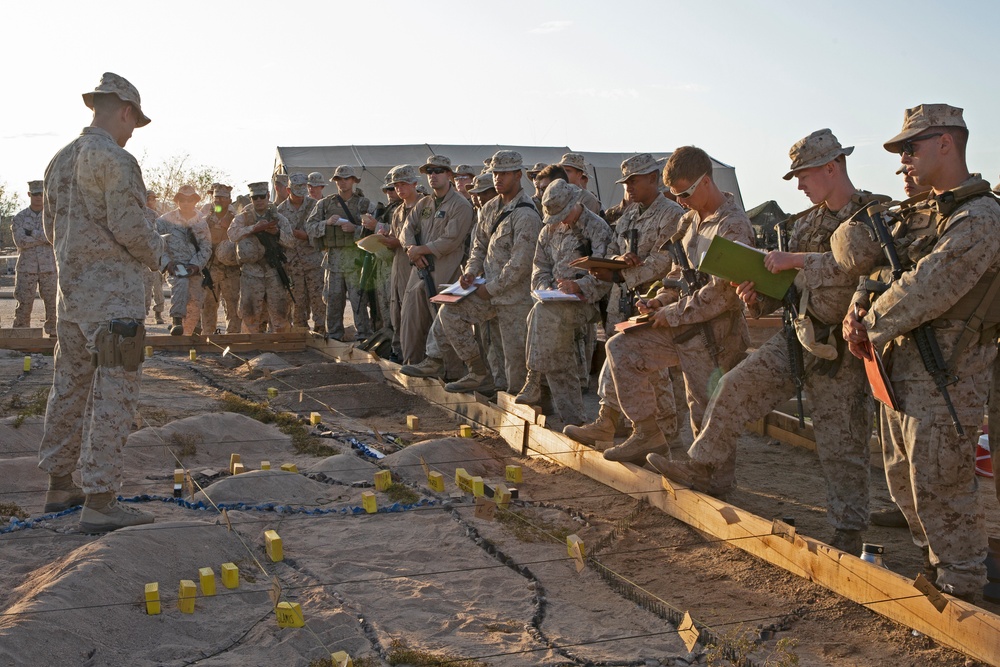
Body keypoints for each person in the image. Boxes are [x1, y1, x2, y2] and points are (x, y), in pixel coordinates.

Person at [651, 130, 882, 554]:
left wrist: (796, 262)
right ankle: (702, 466)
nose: (799, 185)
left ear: (832, 167)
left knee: (841, 443)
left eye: (804, 175)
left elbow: (857, 269)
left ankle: (848, 532)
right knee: (735, 387)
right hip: (796, 335)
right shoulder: (807, 222)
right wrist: (756, 294)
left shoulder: (870, 215)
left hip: (842, 350)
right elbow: (783, 283)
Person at [844, 104, 1000, 600]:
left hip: (948, 375)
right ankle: (938, 571)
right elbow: (876, 270)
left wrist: (869, 322)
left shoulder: (980, 216)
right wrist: (857, 305)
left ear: (946, 144)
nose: (903, 159)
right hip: (900, 370)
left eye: (910, 148)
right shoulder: (923, 213)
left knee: (943, 487)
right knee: (905, 482)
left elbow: (929, 286)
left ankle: (963, 586)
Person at [38, 72, 166, 533]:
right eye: (135, 121)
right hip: (114, 301)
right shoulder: (116, 159)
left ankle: (59, 485)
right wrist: (163, 254)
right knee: (115, 394)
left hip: (71, 298)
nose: (133, 131)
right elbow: (132, 228)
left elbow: (53, 230)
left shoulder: (59, 160)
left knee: (69, 388)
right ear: (126, 111)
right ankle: (101, 500)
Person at [595, 146, 751, 466]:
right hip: (684, 324)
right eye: (675, 194)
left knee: (706, 412)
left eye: (685, 193)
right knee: (623, 348)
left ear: (705, 182)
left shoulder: (732, 226)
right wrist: (660, 299)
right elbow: (678, 272)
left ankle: (711, 476)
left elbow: (721, 294)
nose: (680, 202)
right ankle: (647, 434)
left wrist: (671, 312)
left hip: (716, 334)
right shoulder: (691, 220)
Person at [565, 154, 685, 447]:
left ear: (653, 179)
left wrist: (626, 273)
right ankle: (608, 422)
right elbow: (615, 248)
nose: (628, 187)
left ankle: (666, 433)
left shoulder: (671, 214)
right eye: (626, 182)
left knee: (654, 370)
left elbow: (668, 260)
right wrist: (617, 261)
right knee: (616, 357)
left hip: (656, 297)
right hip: (624, 298)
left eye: (634, 180)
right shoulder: (629, 214)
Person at [402, 151, 539, 396]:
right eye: (496, 173)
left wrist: (492, 287)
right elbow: (478, 246)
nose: (498, 179)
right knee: (451, 312)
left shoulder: (526, 213)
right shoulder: (489, 209)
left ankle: (520, 405)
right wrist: (471, 272)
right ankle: (477, 372)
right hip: (485, 288)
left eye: (505, 173)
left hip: (514, 297)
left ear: (518, 175)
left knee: (514, 358)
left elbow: (521, 263)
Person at [516, 179, 612, 424]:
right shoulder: (549, 229)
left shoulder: (597, 227)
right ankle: (574, 419)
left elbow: (606, 275)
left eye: (564, 213)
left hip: (587, 303)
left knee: (541, 316)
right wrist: (545, 287)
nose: (561, 220)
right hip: (554, 302)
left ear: (576, 202)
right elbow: (539, 267)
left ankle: (534, 378)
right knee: (558, 351)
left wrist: (578, 286)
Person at [396, 155, 475, 364]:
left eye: (438, 171)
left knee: (444, 325)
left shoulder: (460, 205)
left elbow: (451, 239)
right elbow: (407, 229)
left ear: (449, 174)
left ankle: (450, 374)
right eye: (429, 172)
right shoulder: (424, 203)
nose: (433, 176)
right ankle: (412, 365)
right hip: (419, 270)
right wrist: (411, 249)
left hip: (445, 272)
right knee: (411, 321)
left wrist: (420, 250)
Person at [305, 165, 373, 341]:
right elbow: (310, 227)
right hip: (333, 262)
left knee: (359, 302)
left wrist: (355, 229)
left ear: (353, 180)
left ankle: (364, 338)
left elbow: (374, 229)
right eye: (339, 179)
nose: (342, 182)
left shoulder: (363, 203)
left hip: (356, 262)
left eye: (346, 178)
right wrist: (326, 223)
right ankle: (334, 338)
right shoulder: (325, 204)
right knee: (333, 301)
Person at [228, 182, 295, 333]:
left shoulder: (278, 218)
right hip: (251, 271)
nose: (258, 200)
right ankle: (250, 344)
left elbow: (291, 242)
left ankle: (280, 344)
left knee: (279, 312)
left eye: (262, 196)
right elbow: (231, 235)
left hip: (274, 271)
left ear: (268, 196)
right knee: (249, 312)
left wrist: (277, 233)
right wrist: (254, 228)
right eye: (254, 197)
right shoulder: (243, 218)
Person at [157, 185, 212, 336]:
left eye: (189, 200)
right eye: (182, 200)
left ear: (195, 201)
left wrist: (196, 265)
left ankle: (193, 330)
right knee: (180, 285)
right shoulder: (165, 221)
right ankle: (177, 321)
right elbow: (158, 245)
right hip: (175, 266)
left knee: (195, 298)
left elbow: (206, 247)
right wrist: (168, 263)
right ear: (177, 201)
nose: (186, 203)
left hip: (194, 266)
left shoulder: (201, 222)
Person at [277, 173, 325, 333]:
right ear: (288, 190)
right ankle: (300, 332)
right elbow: (278, 237)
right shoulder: (280, 210)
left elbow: (322, 233)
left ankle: (321, 329)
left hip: (313, 261)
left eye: (302, 192)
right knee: (297, 300)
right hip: (292, 264)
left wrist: (307, 237)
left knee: (318, 298)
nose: (300, 197)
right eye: (296, 193)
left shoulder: (316, 206)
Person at [384, 165, 420, 361]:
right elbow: (394, 236)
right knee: (396, 310)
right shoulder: (397, 211)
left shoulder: (425, 207)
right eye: (396, 185)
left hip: (415, 265)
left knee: (413, 313)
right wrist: (386, 239)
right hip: (398, 264)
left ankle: (415, 355)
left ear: (414, 183)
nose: (399, 189)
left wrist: (396, 241)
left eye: (403, 184)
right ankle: (398, 351)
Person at [11, 180, 57, 336]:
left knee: (53, 305)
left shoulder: (52, 217)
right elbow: (20, 241)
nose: (39, 197)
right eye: (35, 194)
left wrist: (32, 233)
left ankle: (53, 336)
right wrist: (43, 237)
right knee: (24, 304)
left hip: (49, 268)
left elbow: (53, 238)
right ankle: (21, 336)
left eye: (41, 194)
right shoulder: (19, 218)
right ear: (29, 194)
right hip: (26, 268)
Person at [200, 184, 242, 334]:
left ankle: (233, 336)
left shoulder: (237, 220)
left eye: (222, 198)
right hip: (211, 268)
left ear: (229, 200)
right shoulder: (205, 220)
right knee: (209, 305)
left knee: (233, 305)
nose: (218, 201)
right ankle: (208, 337)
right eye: (216, 197)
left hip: (231, 270)